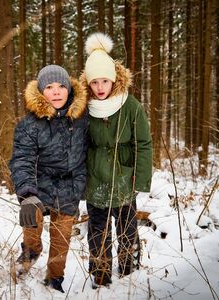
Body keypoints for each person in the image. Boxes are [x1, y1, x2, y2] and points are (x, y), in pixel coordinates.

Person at [80, 32, 153, 287]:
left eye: (105, 81)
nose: (100, 87)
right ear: (88, 83)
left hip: (124, 177)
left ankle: (130, 270)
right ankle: (100, 275)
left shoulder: (130, 106)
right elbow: (78, 145)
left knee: (127, 229)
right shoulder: (84, 107)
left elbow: (143, 143)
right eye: (95, 82)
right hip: (95, 180)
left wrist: (140, 178)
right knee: (98, 232)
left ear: (114, 80)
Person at [9, 64, 88, 293]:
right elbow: (22, 159)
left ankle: (55, 279)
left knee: (61, 238)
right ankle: (30, 252)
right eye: (50, 87)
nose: (56, 91)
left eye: (61, 86)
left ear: (69, 90)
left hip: (70, 185)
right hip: (39, 184)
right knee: (31, 222)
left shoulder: (82, 119)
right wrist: (27, 193)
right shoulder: (29, 125)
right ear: (41, 91)